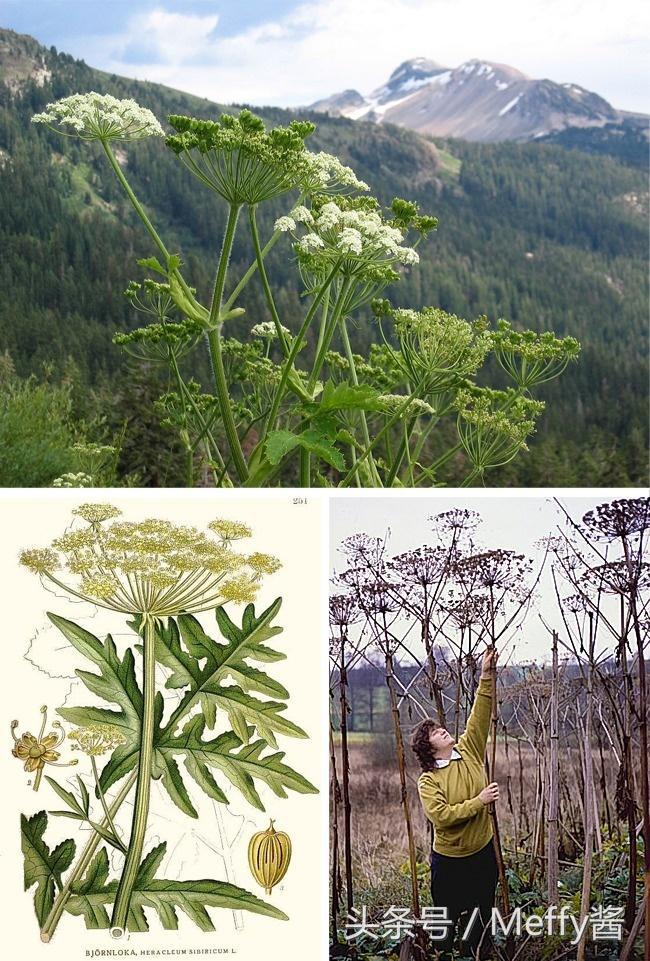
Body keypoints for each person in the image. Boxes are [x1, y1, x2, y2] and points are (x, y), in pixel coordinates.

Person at [411, 648, 499, 959]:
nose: (441, 730)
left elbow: (481, 712)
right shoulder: (428, 780)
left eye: (439, 728)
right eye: (433, 732)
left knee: (481, 915)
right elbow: (443, 817)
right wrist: (480, 800)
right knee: (444, 922)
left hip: (482, 852)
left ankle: (475, 953)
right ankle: (443, 954)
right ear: (427, 747)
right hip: (449, 862)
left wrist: (487, 674)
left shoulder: (470, 750)